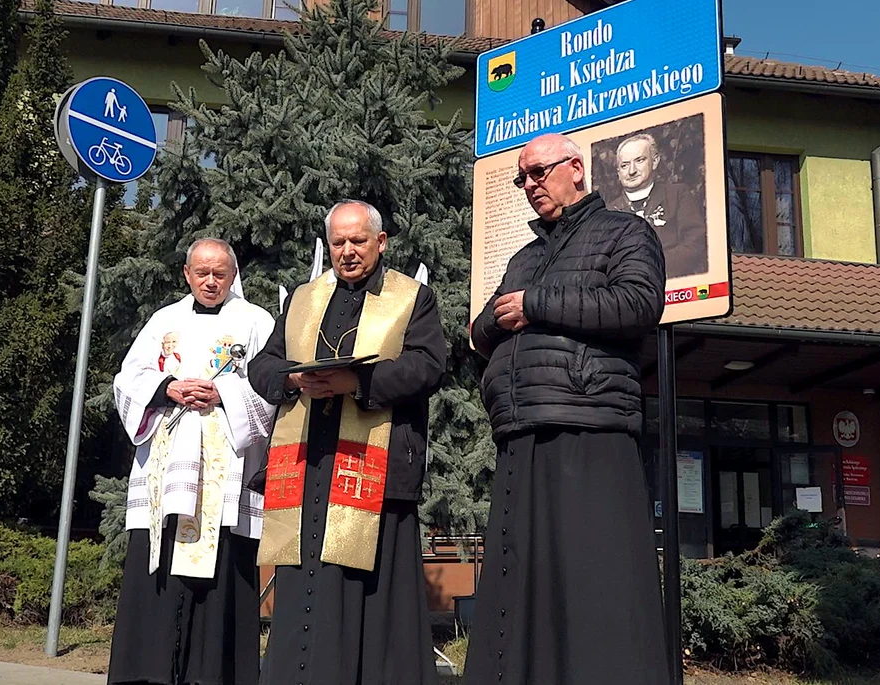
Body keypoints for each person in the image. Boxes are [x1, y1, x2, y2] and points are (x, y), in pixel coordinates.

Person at [465, 133, 670, 685]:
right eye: (520, 179)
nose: (528, 186)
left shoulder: (626, 232)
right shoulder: (524, 257)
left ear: (575, 168)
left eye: (537, 173)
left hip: (589, 426)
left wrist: (535, 305)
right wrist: (506, 314)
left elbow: (638, 303)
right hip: (521, 429)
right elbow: (483, 328)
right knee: (521, 586)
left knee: (592, 586)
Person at [248, 200, 446, 685]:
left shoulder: (411, 297)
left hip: (374, 469)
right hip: (309, 463)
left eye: (358, 241)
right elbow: (264, 364)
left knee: (371, 593)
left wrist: (354, 384)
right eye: (338, 242)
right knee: (304, 585)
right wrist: (294, 379)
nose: (348, 251)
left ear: (380, 242)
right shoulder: (304, 298)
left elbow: (427, 365)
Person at [107, 238, 276, 685]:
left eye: (219, 272)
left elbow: (274, 389)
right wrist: (167, 388)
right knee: (159, 579)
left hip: (225, 478)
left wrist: (223, 393)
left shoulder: (256, 321)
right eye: (201, 272)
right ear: (186, 273)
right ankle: (147, 675)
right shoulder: (165, 320)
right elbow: (127, 381)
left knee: (221, 585)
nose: (210, 281)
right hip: (168, 472)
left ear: (233, 273)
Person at [607, 132, 708, 278]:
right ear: (618, 172)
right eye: (624, 165)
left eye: (639, 160)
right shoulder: (609, 213)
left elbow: (695, 243)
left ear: (655, 161)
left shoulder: (677, 195)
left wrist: (651, 264)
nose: (631, 171)